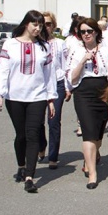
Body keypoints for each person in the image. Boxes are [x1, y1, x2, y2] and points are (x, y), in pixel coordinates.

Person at [0, 10, 57, 193]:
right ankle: (21, 165)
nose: (38, 28)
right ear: (26, 24)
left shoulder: (44, 47)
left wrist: (51, 98)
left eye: (41, 25)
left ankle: (29, 176)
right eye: (35, 24)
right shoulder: (10, 44)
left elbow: (49, 75)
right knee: (21, 135)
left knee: (33, 134)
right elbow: (2, 70)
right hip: (15, 97)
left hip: (37, 97)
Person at [67, 17, 108, 189]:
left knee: (99, 132)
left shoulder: (107, 50)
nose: (86, 34)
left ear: (96, 33)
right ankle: (92, 173)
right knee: (88, 130)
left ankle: (94, 154)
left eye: (89, 31)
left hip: (103, 91)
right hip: (84, 92)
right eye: (83, 32)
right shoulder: (76, 51)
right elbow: (72, 77)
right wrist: (83, 60)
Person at [37, 12, 71, 170]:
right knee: (37, 123)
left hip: (57, 84)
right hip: (38, 87)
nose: (46, 27)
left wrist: (67, 86)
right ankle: (41, 145)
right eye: (43, 23)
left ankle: (53, 156)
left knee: (54, 121)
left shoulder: (60, 43)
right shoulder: (35, 43)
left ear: (54, 25)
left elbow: (65, 65)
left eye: (49, 23)